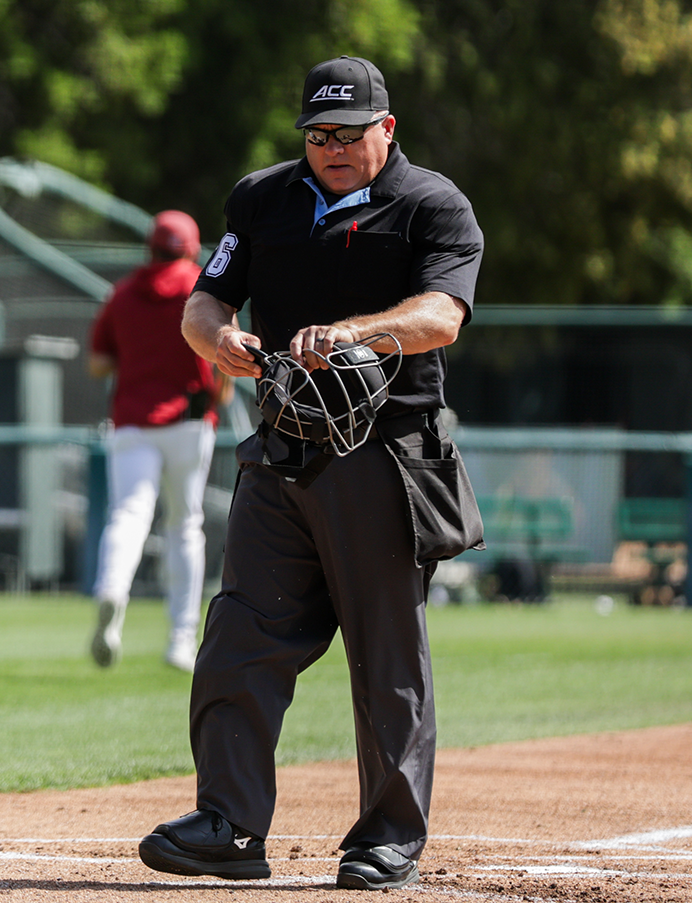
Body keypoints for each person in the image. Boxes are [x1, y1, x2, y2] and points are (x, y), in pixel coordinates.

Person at [137, 56, 483, 890]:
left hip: (388, 457)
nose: (331, 148)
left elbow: (442, 317)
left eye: (349, 133)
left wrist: (356, 333)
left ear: (386, 130)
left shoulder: (433, 205)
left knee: (386, 655)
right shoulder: (263, 199)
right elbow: (205, 301)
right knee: (238, 636)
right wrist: (213, 337)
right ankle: (229, 824)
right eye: (318, 134)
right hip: (281, 450)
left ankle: (386, 838)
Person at [86, 210, 225, 673]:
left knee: (127, 515)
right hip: (187, 421)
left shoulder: (122, 293)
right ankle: (180, 640)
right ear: (190, 246)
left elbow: (98, 364)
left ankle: (112, 591)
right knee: (183, 526)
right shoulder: (201, 286)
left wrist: (136, 357)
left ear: (150, 247)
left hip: (130, 422)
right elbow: (222, 355)